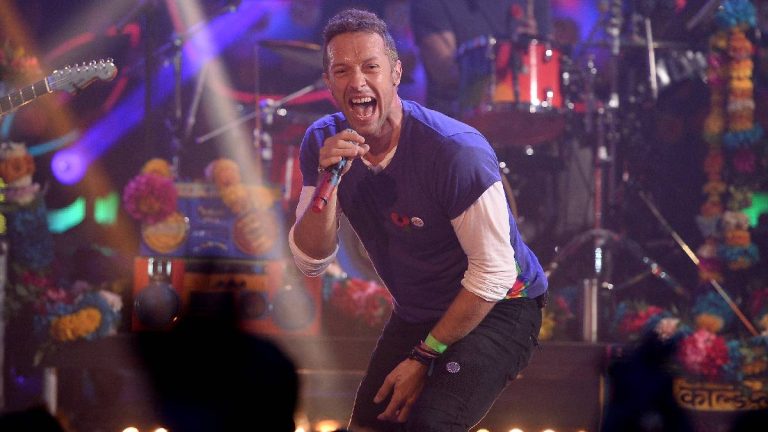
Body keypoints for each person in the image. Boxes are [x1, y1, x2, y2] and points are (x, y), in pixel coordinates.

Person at [288, 8, 548, 432]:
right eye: (342, 71)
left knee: (431, 423)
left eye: (371, 67)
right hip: (419, 310)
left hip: (501, 306)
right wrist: (327, 181)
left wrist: (423, 357)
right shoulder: (322, 141)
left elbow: (495, 272)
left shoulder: (454, 152)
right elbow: (310, 260)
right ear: (328, 83)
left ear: (396, 73)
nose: (357, 82)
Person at [410, 0, 554, 117]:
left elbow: (549, 61)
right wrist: (503, 59)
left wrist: (535, 46)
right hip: (459, 123)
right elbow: (444, 74)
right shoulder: (431, 3)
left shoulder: (532, 3)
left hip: (528, 117)